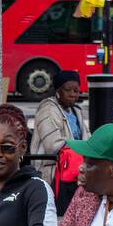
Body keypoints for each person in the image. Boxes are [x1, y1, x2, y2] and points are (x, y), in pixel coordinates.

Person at [31, 69, 88, 214]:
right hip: (52, 168)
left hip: (75, 166)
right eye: (68, 90)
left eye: (76, 90)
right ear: (58, 91)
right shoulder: (48, 110)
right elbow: (53, 145)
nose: (73, 94)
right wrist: (82, 147)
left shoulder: (76, 111)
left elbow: (87, 138)